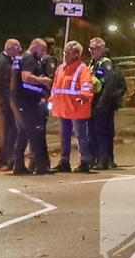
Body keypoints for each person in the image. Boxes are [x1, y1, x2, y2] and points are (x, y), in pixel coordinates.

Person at [49, 41, 94, 173]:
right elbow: (56, 87)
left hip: (76, 109)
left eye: (68, 53)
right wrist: (52, 99)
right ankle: (64, 162)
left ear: (76, 54)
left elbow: (86, 84)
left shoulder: (82, 68)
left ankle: (85, 161)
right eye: (65, 52)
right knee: (64, 137)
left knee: (81, 136)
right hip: (63, 109)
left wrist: (85, 94)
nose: (65, 55)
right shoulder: (61, 68)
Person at [10, 38, 53, 175]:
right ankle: (41, 167)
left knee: (22, 134)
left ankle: (18, 165)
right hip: (26, 101)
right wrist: (44, 81)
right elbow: (26, 78)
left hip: (19, 99)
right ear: (35, 46)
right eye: (42, 49)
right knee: (34, 134)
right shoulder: (28, 59)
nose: (44, 53)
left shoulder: (19, 58)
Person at [0, 39, 21, 171]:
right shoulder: (1, 62)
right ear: (10, 48)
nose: (19, 50)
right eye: (17, 47)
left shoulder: (7, 61)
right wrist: (1, 101)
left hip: (7, 101)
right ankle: (2, 161)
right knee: (4, 131)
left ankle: (9, 159)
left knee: (11, 131)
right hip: (4, 102)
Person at [87, 37, 122, 169]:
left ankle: (104, 160)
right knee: (93, 132)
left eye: (95, 49)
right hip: (92, 102)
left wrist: (103, 103)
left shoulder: (106, 64)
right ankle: (95, 158)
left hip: (102, 104)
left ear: (102, 49)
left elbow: (109, 84)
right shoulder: (92, 63)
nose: (92, 51)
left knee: (102, 133)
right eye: (90, 48)